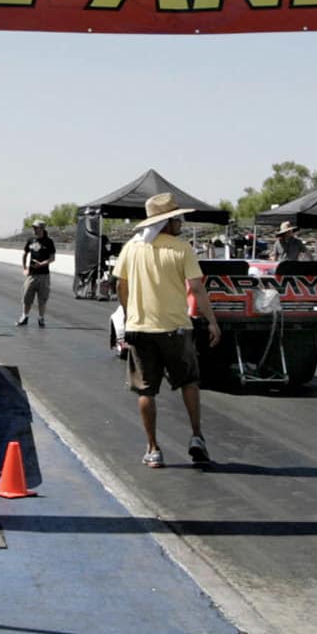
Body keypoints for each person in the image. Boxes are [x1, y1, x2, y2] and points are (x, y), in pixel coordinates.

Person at [114, 192, 222, 468]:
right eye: (178, 219)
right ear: (168, 223)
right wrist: (212, 321)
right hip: (176, 327)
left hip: (140, 329)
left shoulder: (131, 248)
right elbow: (197, 288)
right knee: (189, 382)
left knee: (146, 391)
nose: (181, 223)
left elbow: (119, 286)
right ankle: (197, 436)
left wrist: (129, 315)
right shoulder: (182, 248)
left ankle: (153, 449)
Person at [19, 220, 55, 327]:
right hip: (32, 275)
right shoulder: (31, 240)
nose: (34, 229)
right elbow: (25, 254)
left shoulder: (49, 242)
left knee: (42, 298)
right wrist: (25, 268)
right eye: (33, 228)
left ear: (42, 228)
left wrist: (42, 264)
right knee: (26, 296)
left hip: (44, 275)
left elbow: (52, 258)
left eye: (36, 228)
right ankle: (24, 316)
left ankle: (41, 318)